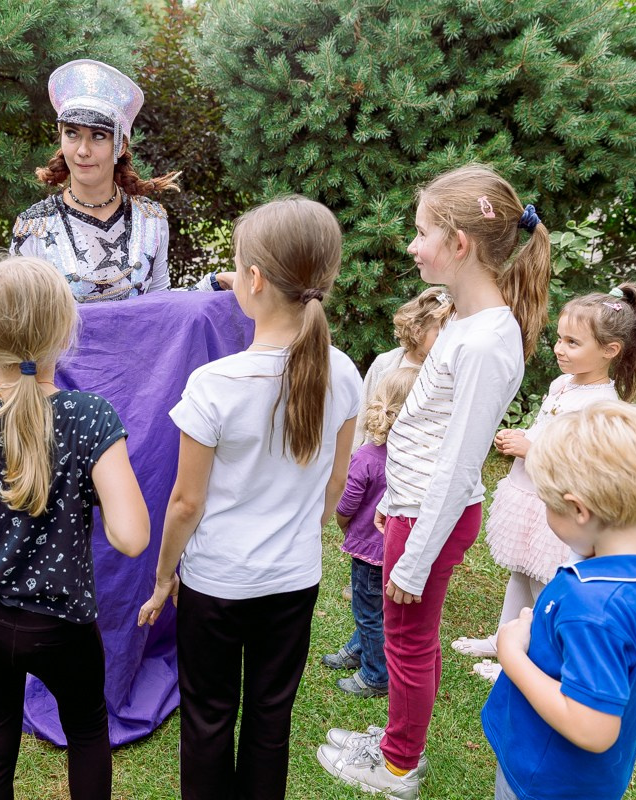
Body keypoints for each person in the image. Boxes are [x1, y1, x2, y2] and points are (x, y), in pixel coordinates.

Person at [316, 164, 551, 800]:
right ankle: (397, 740)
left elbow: (457, 462)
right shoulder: (465, 325)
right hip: (414, 509)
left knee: (408, 646)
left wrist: (413, 559)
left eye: (422, 234)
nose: (413, 247)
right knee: (401, 640)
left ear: (459, 244)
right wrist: (394, 506)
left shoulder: (484, 344)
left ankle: (398, 767)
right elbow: (425, 434)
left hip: (430, 517)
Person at [138, 196, 363, 800]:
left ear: (255, 280)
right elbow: (334, 487)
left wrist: (164, 578)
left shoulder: (215, 384)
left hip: (217, 583)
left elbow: (185, 503)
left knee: (208, 719)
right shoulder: (345, 372)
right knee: (271, 718)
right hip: (293, 580)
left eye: (235, 267)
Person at [0, 256, 150, 800]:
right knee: (88, 733)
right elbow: (131, 537)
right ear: (63, 330)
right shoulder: (90, 415)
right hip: (62, 627)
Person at [483, 401, 636, 800]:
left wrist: (511, 653)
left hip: (546, 777)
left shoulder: (592, 604)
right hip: (595, 779)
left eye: (549, 505)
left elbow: (593, 729)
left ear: (579, 510)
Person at [452, 284, 636, 682]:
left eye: (573, 343)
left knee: (546, 584)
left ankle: (534, 658)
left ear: (610, 350)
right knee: (521, 572)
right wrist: (525, 435)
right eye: (560, 338)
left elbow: (581, 462)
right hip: (528, 494)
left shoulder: (601, 405)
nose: (560, 348)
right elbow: (549, 429)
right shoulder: (564, 385)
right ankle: (504, 637)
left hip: (557, 503)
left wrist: (530, 448)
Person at [10, 59, 229, 300]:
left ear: (121, 146)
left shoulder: (150, 221)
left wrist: (213, 284)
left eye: (98, 136)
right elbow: (23, 324)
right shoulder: (35, 227)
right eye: (72, 134)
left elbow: (162, 309)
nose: (83, 150)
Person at [322, 366, 419, 698]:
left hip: (368, 551)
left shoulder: (367, 456)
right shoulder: (418, 460)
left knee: (368, 612)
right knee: (376, 608)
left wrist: (343, 523)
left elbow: (347, 502)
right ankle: (357, 649)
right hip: (397, 548)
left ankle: (376, 675)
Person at [353, 287, 450, 447]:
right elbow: (362, 411)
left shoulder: (442, 371)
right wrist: (354, 453)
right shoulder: (386, 363)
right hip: (377, 450)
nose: (447, 341)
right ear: (417, 331)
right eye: (440, 335)